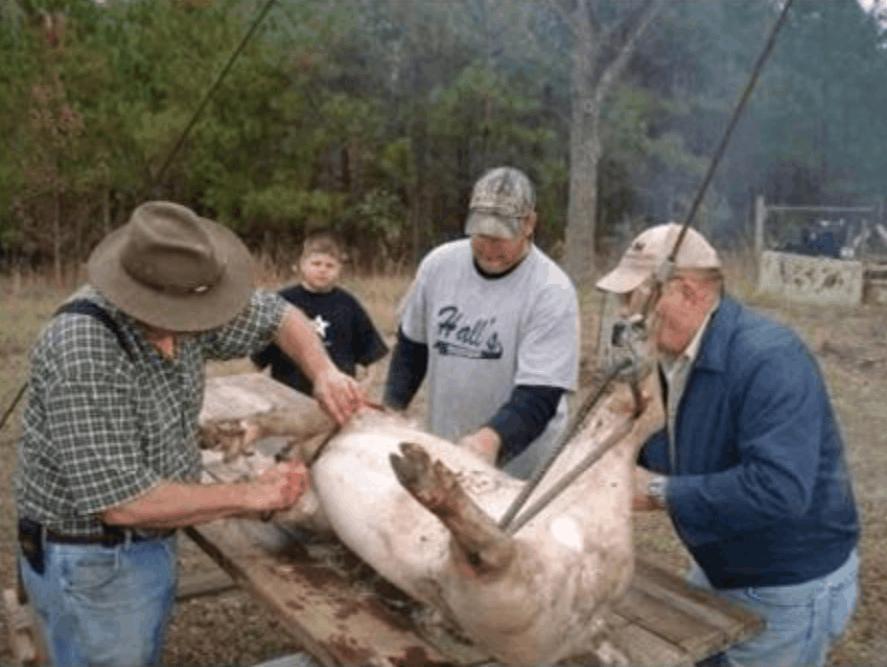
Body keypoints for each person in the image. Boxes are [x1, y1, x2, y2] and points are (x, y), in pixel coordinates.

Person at [14, 201, 364, 667]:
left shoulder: (184, 306)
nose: (203, 320)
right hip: (93, 558)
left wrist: (323, 371)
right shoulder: (85, 348)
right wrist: (251, 495)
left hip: (145, 542)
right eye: (189, 310)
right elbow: (122, 501)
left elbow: (277, 315)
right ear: (144, 299)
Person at [596, 222, 860, 667]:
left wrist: (657, 491)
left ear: (687, 292)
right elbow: (694, 450)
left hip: (787, 582)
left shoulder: (770, 359)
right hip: (724, 566)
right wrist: (625, 447)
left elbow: (778, 488)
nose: (626, 313)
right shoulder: (676, 355)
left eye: (634, 297)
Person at [383, 166, 579, 479]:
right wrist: (391, 410)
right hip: (448, 454)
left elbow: (540, 395)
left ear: (529, 224)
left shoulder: (551, 290)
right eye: (481, 234)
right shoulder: (439, 266)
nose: (489, 248)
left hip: (523, 469)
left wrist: (489, 442)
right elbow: (412, 347)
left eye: (500, 237)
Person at [251, 229, 388, 396]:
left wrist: (365, 385)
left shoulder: (348, 305)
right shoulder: (281, 303)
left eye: (330, 265)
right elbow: (258, 359)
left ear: (340, 269)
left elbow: (371, 353)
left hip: (338, 398)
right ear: (302, 265)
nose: (323, 270)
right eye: (316, 263)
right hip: (288, 396)